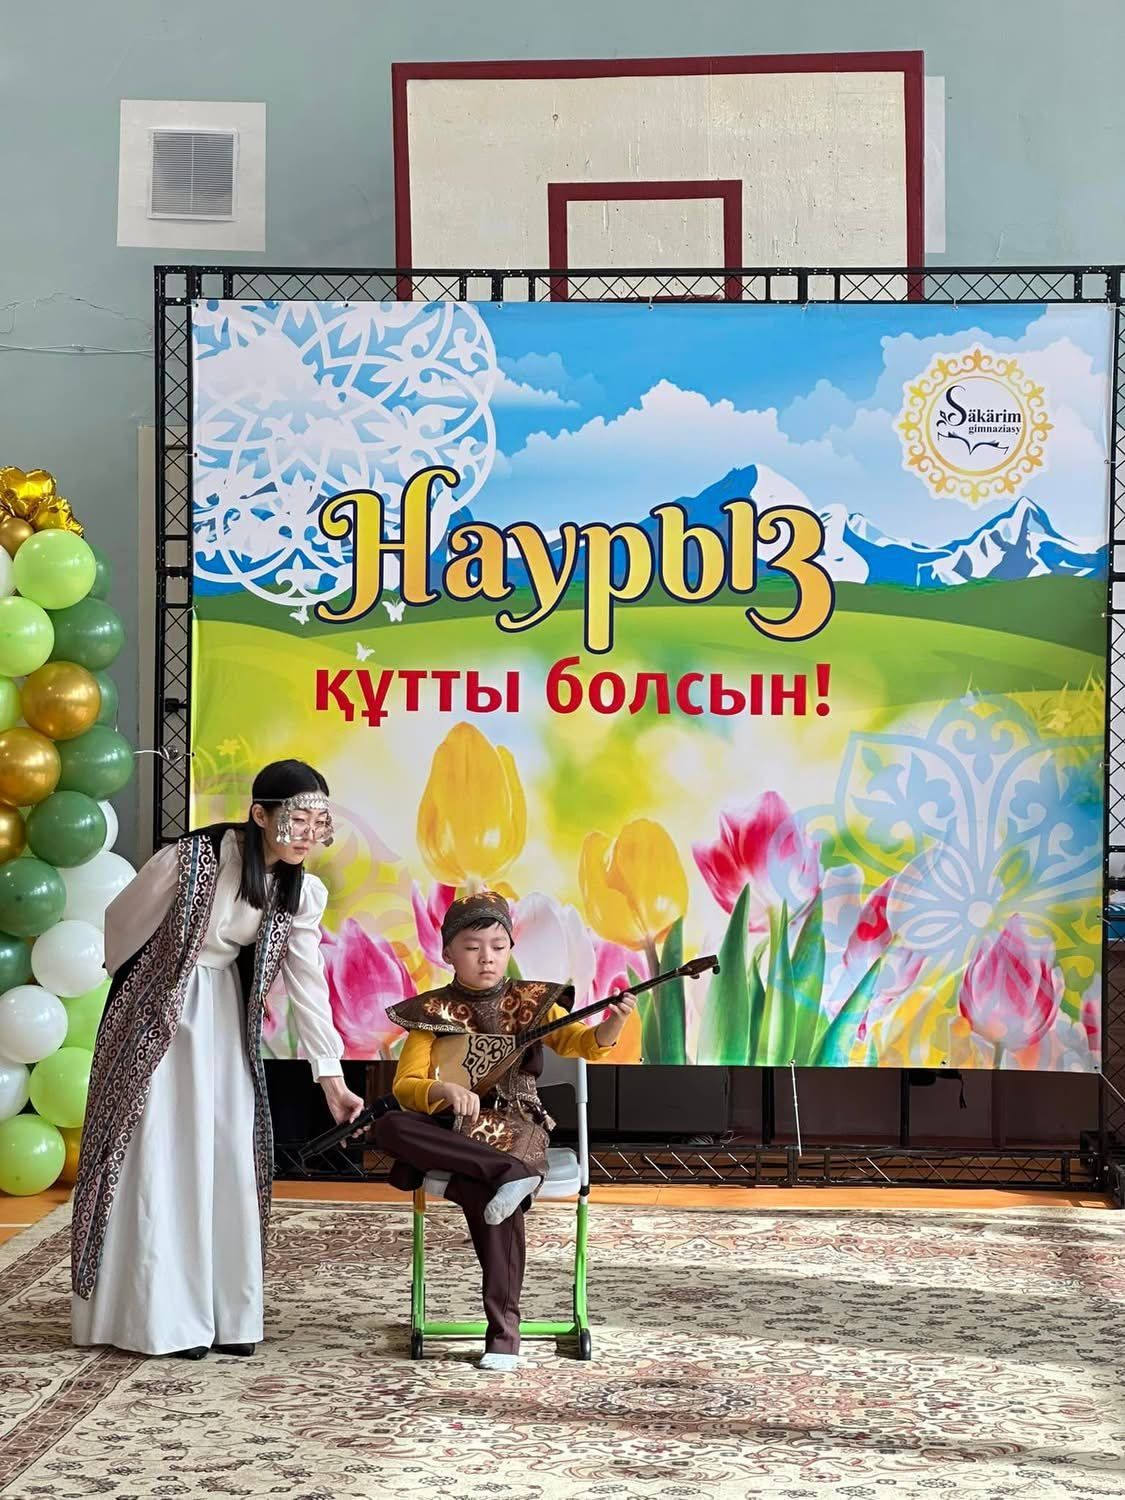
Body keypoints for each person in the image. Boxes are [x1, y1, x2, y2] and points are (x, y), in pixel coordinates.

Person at [71, 760, 364, 1359]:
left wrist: (330, 1079)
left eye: (318, 824)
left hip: (224, 1013)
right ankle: (161, 1318)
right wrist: (142, 994)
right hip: (158, 1008)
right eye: (296, 821)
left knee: (225, 1147)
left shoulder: (300, 891)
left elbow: (308, 985)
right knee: (159, 1149)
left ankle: (225, 1314)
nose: (307, 836)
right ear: (259, 815)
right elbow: (122, 921)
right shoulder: (193, 859)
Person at [375, 889, 636, 1372]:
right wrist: (442, 1091)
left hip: (515, 1122)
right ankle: (506, 1174)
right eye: (473, 947)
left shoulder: (533, 1002)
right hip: (453, 1129)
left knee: (488, 1197)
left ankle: (503, 1333)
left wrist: (612, 1026)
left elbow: (583, 1043)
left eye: (498, 946)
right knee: (389, 1124)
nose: (487, 958)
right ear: (448, 953)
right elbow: (406, 1086)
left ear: (510, 948)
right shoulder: (430, 1013)